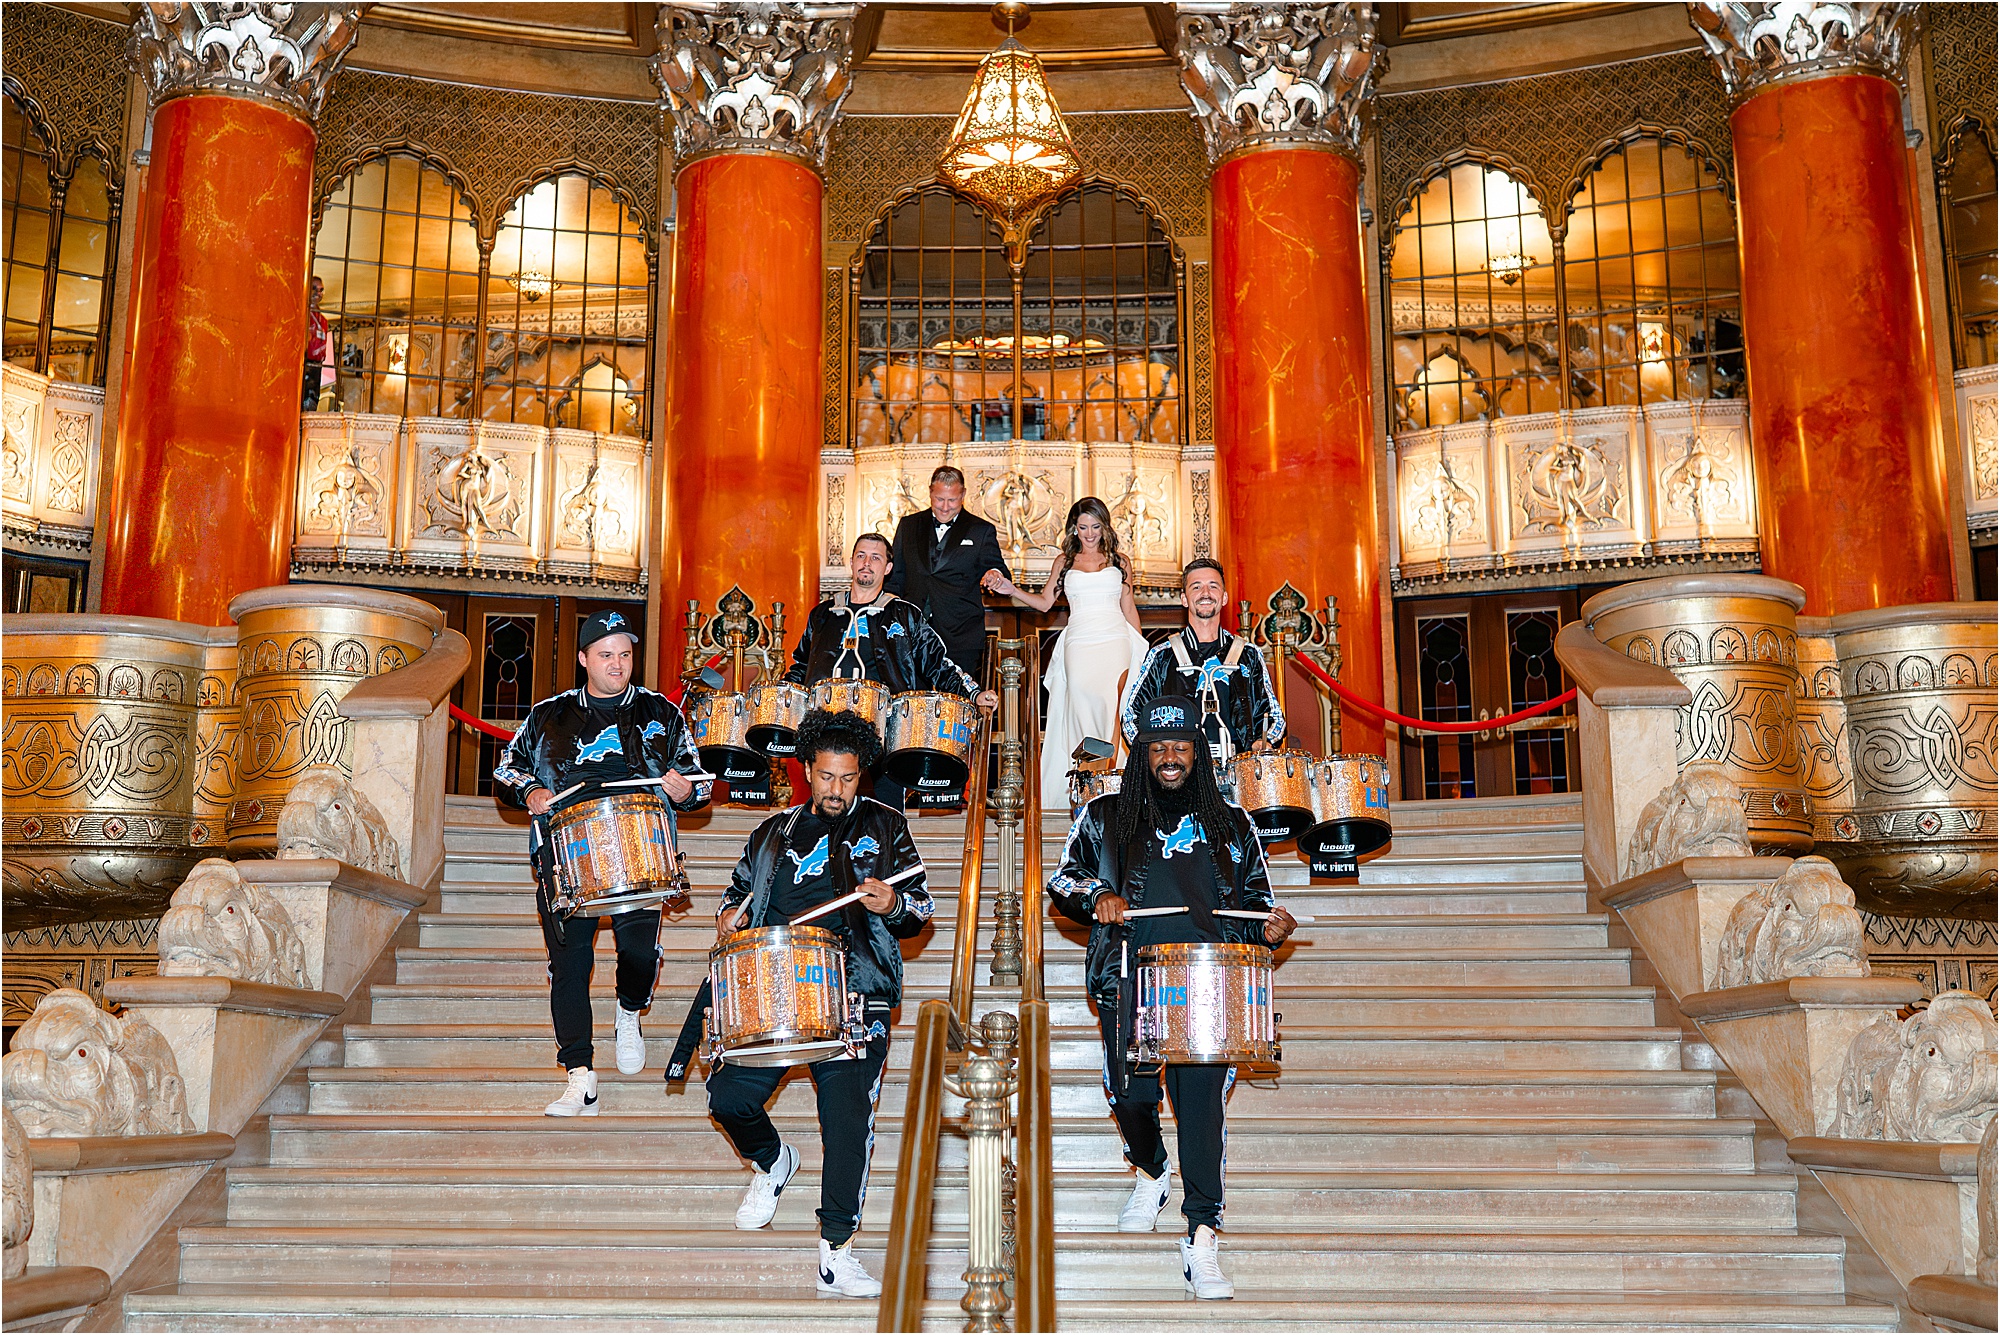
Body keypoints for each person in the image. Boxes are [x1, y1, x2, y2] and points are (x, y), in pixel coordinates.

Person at [1048, 695, 1297, 1299]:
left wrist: (1267, 925)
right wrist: (1096, 897)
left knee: (1202, 1111)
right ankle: (1153, 1168)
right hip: (1129, 975)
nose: (1169, 758)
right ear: (1141, 755)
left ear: (1198, 752)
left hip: (1210, 983)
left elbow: (1255, 901)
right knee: (1130, 1096)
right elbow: (1063, 877)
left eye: (1180, 747)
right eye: (1157, 748)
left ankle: (1202, 1238)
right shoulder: (1105, 814)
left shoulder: (1232, 822)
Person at [706, 708, 932, 1298]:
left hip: (858, 993)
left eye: (849, 778)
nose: (836, 790)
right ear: (807, 770)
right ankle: (774, 1160)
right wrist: (728, 918)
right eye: (826, 777)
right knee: (727, 1098)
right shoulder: (773, 832)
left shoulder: (886, 827)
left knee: (846, 1123)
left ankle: (837, 1251)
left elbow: (921, 909)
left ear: (863, 775)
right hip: (775, 992)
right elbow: (734, 898)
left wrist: (891, 906)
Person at [490, 609, 710, 1117]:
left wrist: (686, 789)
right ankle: (579, 1075)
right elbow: (507, 768)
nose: (617, 664)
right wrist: (531, 790)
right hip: (565, 853)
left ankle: (629, 1010)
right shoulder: (548, 715)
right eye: (606, 655)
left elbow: (698, 780)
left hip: (640, 852)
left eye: (625, 655)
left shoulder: (663, 713)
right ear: (584, 658)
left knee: (636, 954)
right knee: (570, 965)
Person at [785, 532, 998, 809]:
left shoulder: (904, 614)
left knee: (887, 814)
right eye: (861, 556)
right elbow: (800, 667)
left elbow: (938, 663)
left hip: (886, 728)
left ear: (887, 568)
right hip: (827, 727)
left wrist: (974, 693)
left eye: (875, 557)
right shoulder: (823, 614)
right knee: (828, 809)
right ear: (851, 562)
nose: (866, 563)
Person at [981, 497, 1149, 803]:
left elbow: (1129, 607)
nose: (1089, 534)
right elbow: (1045, 603)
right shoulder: (1064, 561)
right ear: (1073, 528)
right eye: (1083, 527)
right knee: (1082, 704)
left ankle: (1116, 787)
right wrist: (1012, 590)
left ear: (1105, 527)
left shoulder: (1120, 561)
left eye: (1095, 527)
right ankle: (1086, 786)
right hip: (1080, 642)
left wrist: (1142, 650)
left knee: (1115, 707)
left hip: (1116, 639)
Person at [1120, 558, 1285, 773]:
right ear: (1184, 599)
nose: (1205, 593)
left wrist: (1262, 743)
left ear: (1224, 598)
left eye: (1213, 586)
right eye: (1196, 587)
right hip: (1181, 777)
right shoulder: (1162, 656)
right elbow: (1131, 718)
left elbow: (1274, 718)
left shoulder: (1248, 654)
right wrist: (1160, 753)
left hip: (1240, 772)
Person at [885, 465, 1009, 689]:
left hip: (960, 635)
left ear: (963, 494)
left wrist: (994, 575)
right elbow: (896, 577)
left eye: (952, 500)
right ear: (930, 492)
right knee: (914, 704)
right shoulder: (908, 526)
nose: (944, 507)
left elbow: (997, 567)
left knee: (958, 703)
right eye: (939, 499)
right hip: (913, 634)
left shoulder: (981, 530)